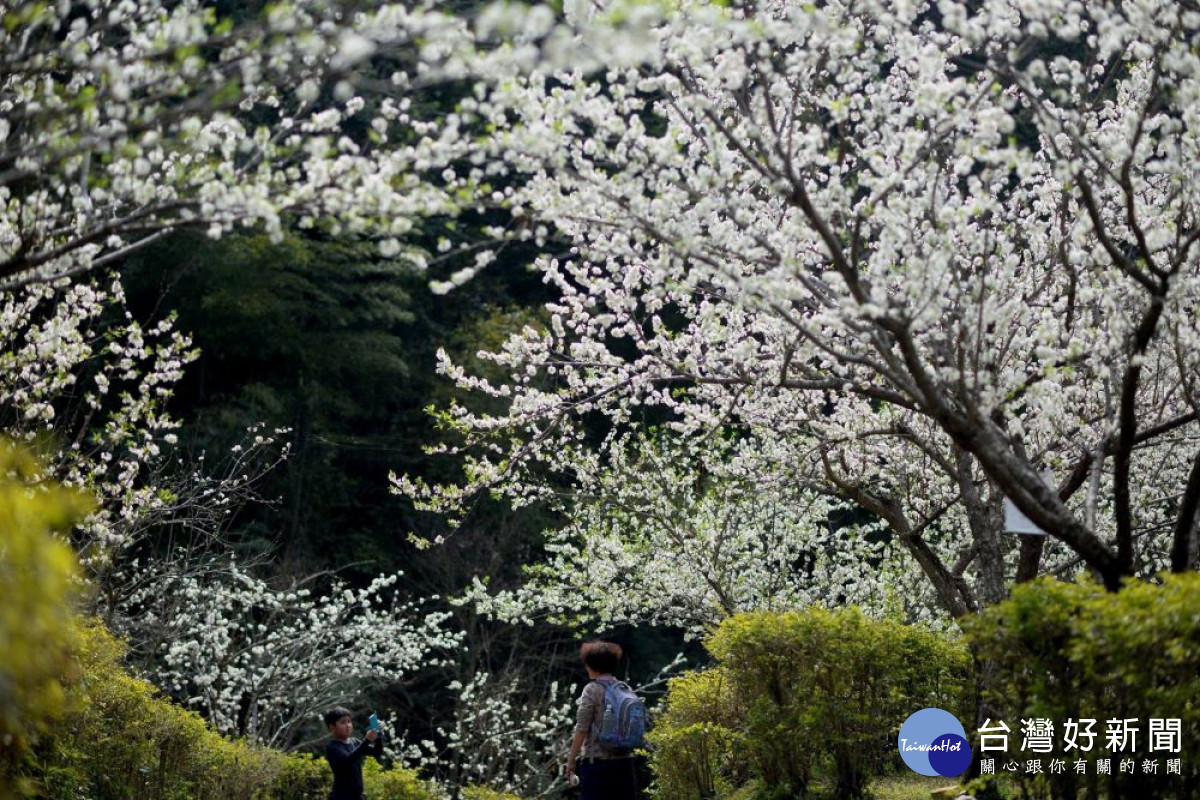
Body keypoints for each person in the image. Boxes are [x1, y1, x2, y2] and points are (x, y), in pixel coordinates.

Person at [564, 640, 639, 799]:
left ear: (593, 665)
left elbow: (582, 728)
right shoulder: (626, 688)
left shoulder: (591, 689)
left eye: (587, 664)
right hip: (625, 762)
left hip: (597, 764)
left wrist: (571, 760)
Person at [323, 706, 382, 800]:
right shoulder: (332, 747)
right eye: (343, 722)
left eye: (349, 721)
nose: (348, 725)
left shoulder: (354, 742)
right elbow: (348, 759)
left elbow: (377, 752)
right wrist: (366, 741)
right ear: (332, 727)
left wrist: (378, 734)